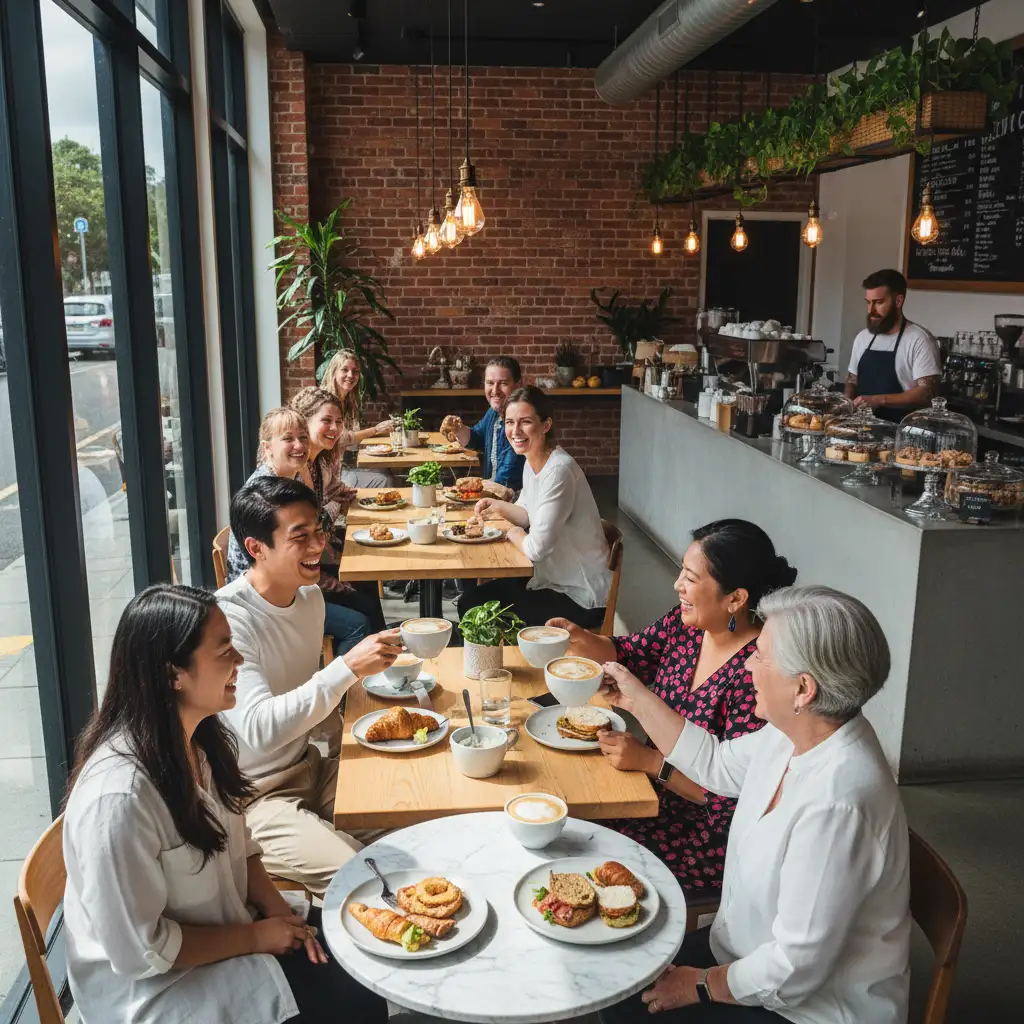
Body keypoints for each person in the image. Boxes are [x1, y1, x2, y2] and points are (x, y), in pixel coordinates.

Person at [62, 584, 387, 1024]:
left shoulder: (200, 740)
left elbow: (241, 843)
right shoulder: (118, 802)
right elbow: (144, 950)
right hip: (159, 988)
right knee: (351, 997)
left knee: (358, 957)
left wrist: (276, 914)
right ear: (173, 673)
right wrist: (253, 938)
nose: (239, 661)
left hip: (227, 930)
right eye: (224, 651)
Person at [600, 585, 910, 1024]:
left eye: (761, 656)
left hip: (806, 1007)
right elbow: (716, 764)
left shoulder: (838, 802)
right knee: (613, 979)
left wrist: (701, 984)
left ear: (803, 689)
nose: (747, 664)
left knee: (624, 1011)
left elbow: (795, 968)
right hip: (741, 954)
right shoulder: (794, 734)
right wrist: (635, 698)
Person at [549, 520, 796, 896]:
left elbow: (729, 798)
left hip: (697, 833)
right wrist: (582, 638)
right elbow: (630, 654)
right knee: (561, 817)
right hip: (642, 791)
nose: (677, 584)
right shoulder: (688, 627)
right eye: (681, 570)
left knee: (577, 855)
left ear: (735, 598)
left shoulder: (756, 673)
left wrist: (650, 762)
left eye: (691, 578)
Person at [218, 475, 402, 895]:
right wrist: (346, 668)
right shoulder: (229, 620)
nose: (319, 545)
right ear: (256, 549)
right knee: (367, 880)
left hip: (311, 767)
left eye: (319, 530)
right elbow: (260, 729)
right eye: (300, 537)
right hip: (254, 799)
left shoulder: (310, 599)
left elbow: (309, 699)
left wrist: (345, 754)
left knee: (417, 816)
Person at [459, 385, 611, 627]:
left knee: (475, 609)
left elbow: (536, 548)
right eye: (510, 422)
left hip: (582, 596)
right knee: (471, 601)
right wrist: (496, 506)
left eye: (525, 422)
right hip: (553, 580)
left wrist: (512, 533)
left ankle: (497, 664)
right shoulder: (533, 461)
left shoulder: (558, 470)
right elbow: (526, 514)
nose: (515, 431)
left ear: (546, 425)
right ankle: (489, 662)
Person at [225, 406, 372, 651]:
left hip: (288, 578)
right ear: (267, 447)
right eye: (288, 439)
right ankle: (347, 685)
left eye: (303, 437)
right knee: (358, 623)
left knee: (361, 588)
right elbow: (278, 563)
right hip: (264, 600)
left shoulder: (289, 480)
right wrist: (325, 581)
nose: (300, 445)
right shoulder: (264, 492)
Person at [291, 385, 387, 632]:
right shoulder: (293, 470)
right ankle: (371, 656)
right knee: (363, 604)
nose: (334, 428)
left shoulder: (317, 462)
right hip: (297, 578)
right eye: (326, 421)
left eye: (338, 421)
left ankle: (382, 653)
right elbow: (315, 523)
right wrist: (337, 503)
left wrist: (339, 496)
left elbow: (326, 504)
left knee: (366, 581)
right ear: (305, 421)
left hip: (312, 559)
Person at [844, 268, 941, 423]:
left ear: (898, 301)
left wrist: (878, 400)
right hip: (861, 430)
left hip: (902, 431)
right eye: (868, 303)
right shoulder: (863, 338)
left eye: (879, 302)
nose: (871, 310)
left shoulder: (919, 339)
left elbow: (927, 393)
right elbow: (852, 381)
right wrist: (845, 405)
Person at [441, 355, 525, 500]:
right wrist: (458, 428)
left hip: (512, 502)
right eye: (490, 383)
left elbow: (506, 480)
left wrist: (470, 490)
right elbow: (476, 438)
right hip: (492, 495)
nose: (495, 390)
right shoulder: (494, 413)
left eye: (503, 383)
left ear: (518, 385)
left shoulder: (519, 423)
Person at [321, 349, 394, 489]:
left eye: (355, 371)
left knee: (384, 472)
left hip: (341, 465)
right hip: (329, 472)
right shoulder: (326, 401)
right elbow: (341, 439)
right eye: (345, 370)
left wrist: (381, 433)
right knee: (385, 479)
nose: (351, 375)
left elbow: (351, 444)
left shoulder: (348, 401)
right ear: (334, 372)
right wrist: (376, 430)